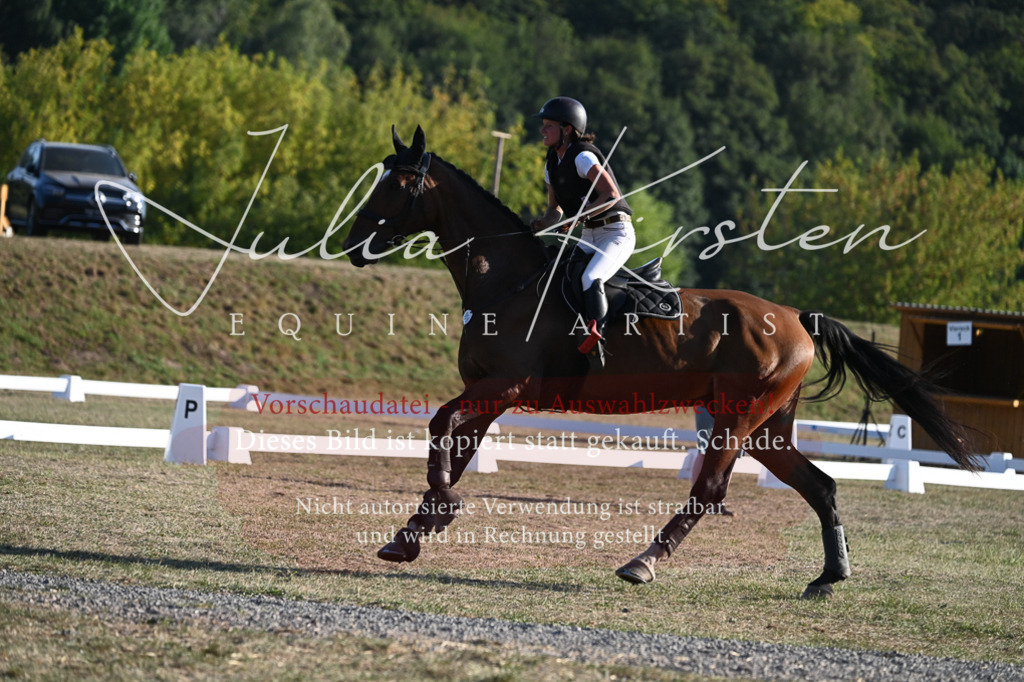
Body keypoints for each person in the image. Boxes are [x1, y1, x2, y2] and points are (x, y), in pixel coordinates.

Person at [530, 97, 635, 363]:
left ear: (567, 129)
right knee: (562, 275)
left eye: (549, 125)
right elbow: (555, 209)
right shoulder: (551, 163)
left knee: (590, 278)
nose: (542, 130)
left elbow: (610, 195)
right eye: (543, 125)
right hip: (590, 235)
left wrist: (577, 218)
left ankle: (597, 337)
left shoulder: (583, 155)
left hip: (616, 233)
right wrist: (544, 223)